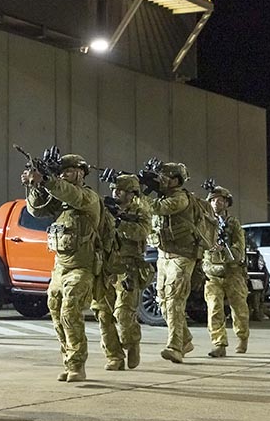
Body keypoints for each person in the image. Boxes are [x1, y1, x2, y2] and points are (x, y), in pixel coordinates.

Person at [22, 154, 100, 383]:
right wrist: (35, 186)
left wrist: (46, 180)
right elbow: (36, 210)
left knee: (70, 310)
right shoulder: (59, 199)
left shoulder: (87, 197)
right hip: (60, 266)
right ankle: (68, 359)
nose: (65, 174)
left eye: (69, 170)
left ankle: (77, 364)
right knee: (55, 308)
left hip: (82, 266)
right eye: (62, 171)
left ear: (81, 173)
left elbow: (72, 194)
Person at [94, 175, 152, 370]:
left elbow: (142, 232)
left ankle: (132, 342)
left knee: (124, 314)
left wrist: (120, 222)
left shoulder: (140, 211)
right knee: (103, 313)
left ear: (131, 193)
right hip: (106, 268)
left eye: (120, 190)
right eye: (114, 189)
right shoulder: (105, 209)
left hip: (128, 268)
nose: (115, 193)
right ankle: (114, 356)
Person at [147, 162, 198, 363]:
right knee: (162, 301)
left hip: (182, 256)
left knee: (175, 299)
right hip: (164, 255)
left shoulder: (179, 198)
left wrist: (138, 193)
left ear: (176, 180)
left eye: (165, 177)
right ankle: (185, 339)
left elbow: (158, 208)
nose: (161, 180)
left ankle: (175, 347)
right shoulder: (163, 197)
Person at [202, 186, 250, 356]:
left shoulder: (233, 223)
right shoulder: (205, 223)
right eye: (213, 200)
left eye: (220, 200)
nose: (216, 203)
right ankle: (219, 343)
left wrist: (225, 250)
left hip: (233, 272)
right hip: (212, 273)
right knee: (214, 308)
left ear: (227, 203)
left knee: (239, 309)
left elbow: (239, 250)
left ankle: (242, 337)